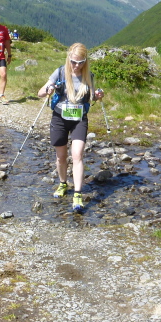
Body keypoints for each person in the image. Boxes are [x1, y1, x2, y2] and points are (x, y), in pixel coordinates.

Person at [38, 43, 105, 212]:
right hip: (59, 118)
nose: (76, 66)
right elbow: (40, 93)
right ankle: (63, 183)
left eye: (80, 62)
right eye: (73, 62)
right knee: (61, 157)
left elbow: (92, 97)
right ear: (69, 58)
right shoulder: (60, 72)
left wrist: (98, 95)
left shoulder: (88, 76)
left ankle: (77, 194)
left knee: (77, 155)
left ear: (85, 61)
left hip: (79, 120)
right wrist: (48, 89)